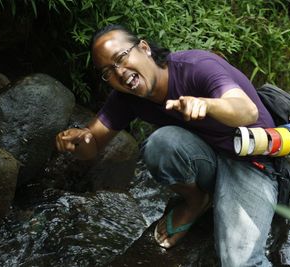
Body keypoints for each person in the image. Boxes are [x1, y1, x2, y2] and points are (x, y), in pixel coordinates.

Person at [56, 24, 278, 267]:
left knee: (240, 262)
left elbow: (247, 111)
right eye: (108, 71)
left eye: (121, 58)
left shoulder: (196, 66)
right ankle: (196, 201)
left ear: (144, 48)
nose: (119, 72)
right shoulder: (127, 97)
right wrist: (79, 141)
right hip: (208, 160)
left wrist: (207, 104)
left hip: (250, 160)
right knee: (161, 143)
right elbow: (93, 144)